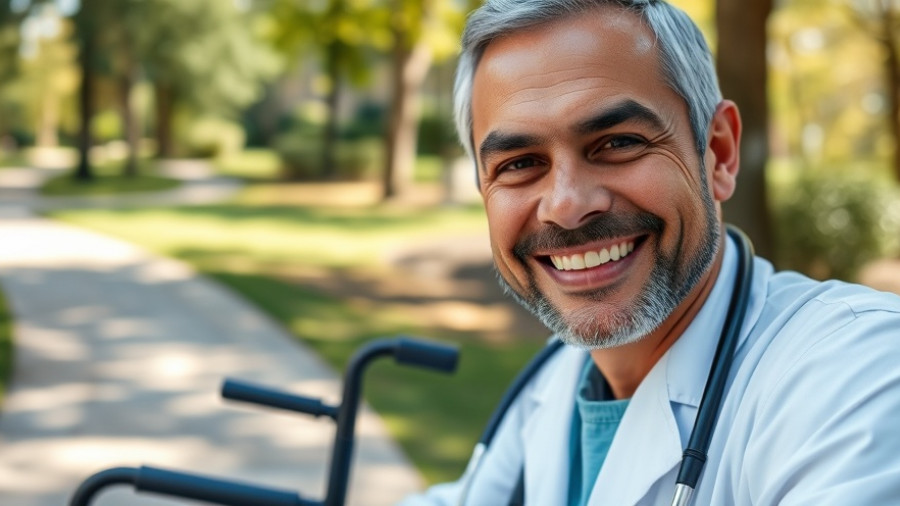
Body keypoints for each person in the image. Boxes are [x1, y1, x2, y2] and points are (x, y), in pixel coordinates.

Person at [400, 0, 900, 505]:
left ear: (719, 154)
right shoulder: (558, 377)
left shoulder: (861, 375)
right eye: (521, 163)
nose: (567, 206)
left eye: (617, 143)